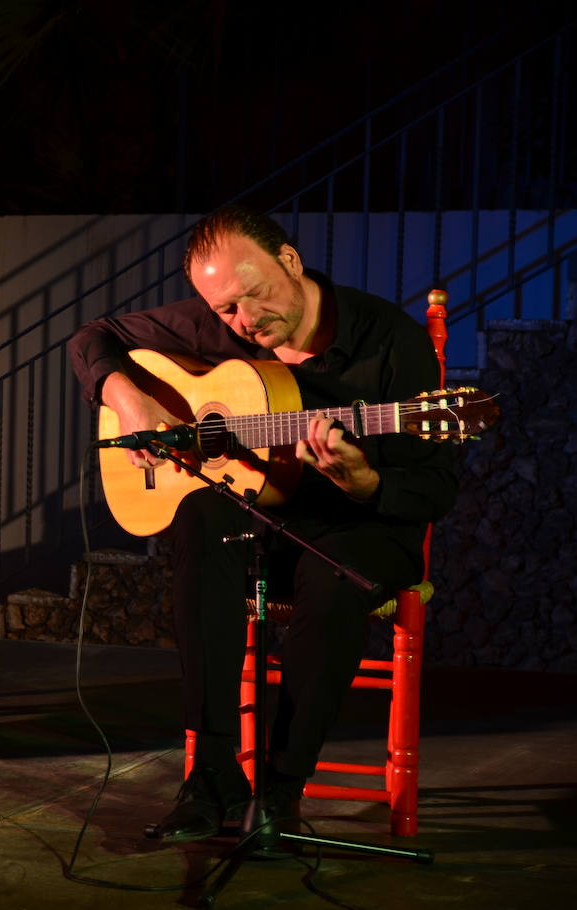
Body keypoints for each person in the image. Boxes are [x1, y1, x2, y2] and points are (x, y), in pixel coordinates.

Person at [67, 205, 457, 840]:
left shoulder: (391, 341)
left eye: (254, 295)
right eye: (226, 311)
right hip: (263, 524)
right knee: (199, 516)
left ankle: (280, 791)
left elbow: (437, 488)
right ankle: (213, 772)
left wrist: (367, 482)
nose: (244, 322)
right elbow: (91, 339)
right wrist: (127, 396)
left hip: (361, 531)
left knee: (333, 584)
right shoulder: (219, 325)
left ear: (291, 262)